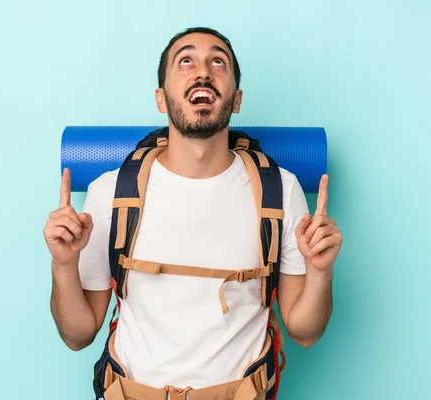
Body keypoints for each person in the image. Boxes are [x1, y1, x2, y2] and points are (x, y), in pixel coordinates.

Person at [44, 27, 343, 399]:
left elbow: (305, 332)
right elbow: (77, 335)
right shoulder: (110, 193)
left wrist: (320, 270)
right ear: (161, 98)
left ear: (235, 100)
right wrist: (63, 265)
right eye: (185, 61)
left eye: (218, 61)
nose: (202, 71)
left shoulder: (280, 191)